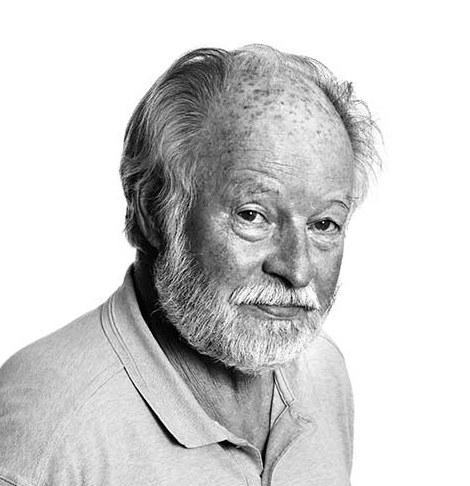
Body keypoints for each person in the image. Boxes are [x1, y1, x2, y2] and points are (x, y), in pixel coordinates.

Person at [0, 45, 380, 486]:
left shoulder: (324, 372)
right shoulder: (48, 429)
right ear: (154, 211)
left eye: (324, 224)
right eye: (252, 216)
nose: (297, 271)